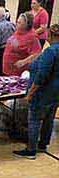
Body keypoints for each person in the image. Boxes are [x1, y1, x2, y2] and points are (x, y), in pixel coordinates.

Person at [13, 24, 59, 159]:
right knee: (49, 118)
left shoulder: (51, 52)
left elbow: (41, 76)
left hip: (44, 92)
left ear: (51, 35)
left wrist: (30, 94)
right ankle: (43, 144)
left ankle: (31, 150)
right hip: (56, 92)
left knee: (34, 119)